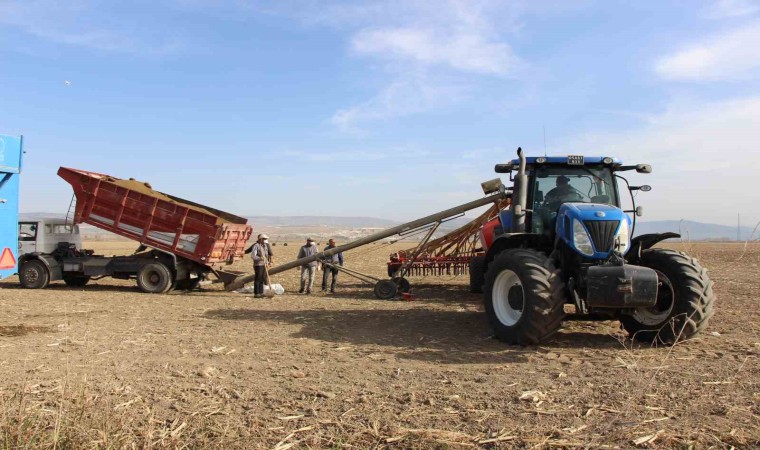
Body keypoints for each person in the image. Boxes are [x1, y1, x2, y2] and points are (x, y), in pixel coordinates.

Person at [250, 233, 272, 298]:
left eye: (265, 239)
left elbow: (266, 255)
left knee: (262, 278)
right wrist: (260, 258)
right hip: (258, 265)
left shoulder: (265, 246)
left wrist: (268, 262)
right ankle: (256, 293)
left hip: (264, 264)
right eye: (264, 239)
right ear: (260, 239)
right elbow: (253, 256)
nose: (265, 240)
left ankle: (261, 292)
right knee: (258, 279)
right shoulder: (256, 246)